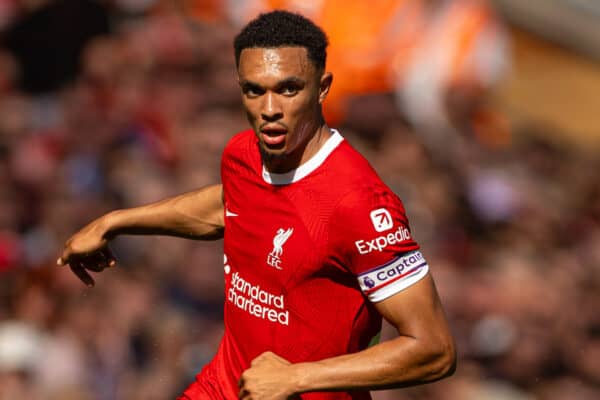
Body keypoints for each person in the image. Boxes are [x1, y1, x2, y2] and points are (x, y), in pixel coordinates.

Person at [58, 10, 456, 400]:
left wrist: (297, 378)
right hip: (220, 388)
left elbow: (433, 348)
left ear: (322, 87)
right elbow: (225, 207)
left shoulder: (359, 204)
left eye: (288, 89)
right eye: (254, 90)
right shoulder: (244, 154)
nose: (269, 110)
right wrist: (115, 222)